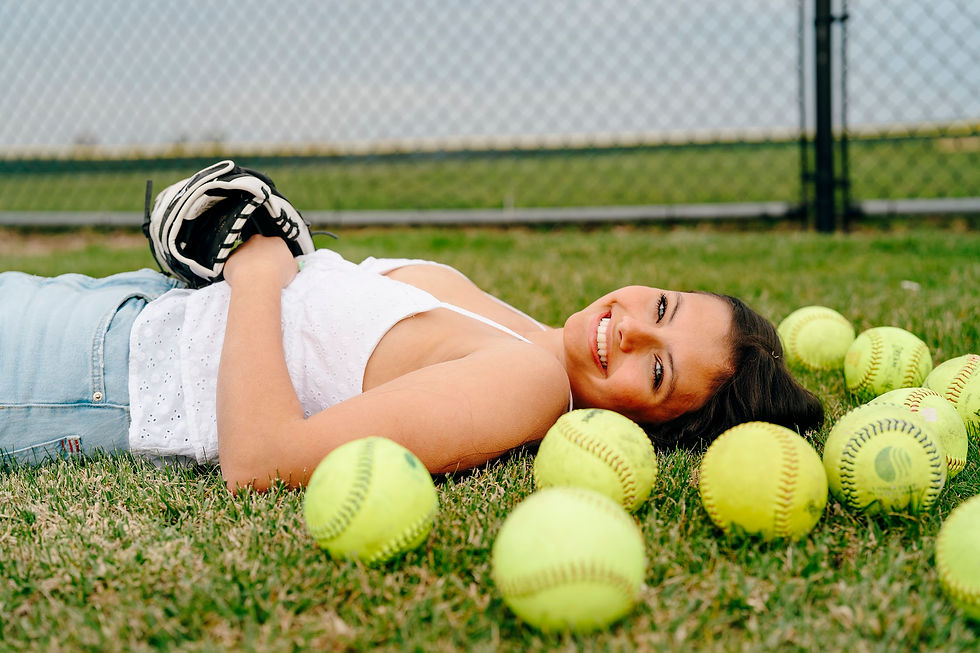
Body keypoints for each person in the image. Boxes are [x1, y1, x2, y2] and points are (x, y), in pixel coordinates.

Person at [0, 235, 823, 492]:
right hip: (127, 309)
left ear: (648, 422)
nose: (632, 328)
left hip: (82, 373)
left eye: (657, 371)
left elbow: (263, 458)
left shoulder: (530, 384)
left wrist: (257, 271)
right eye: (665, 307)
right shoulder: (528, 335)